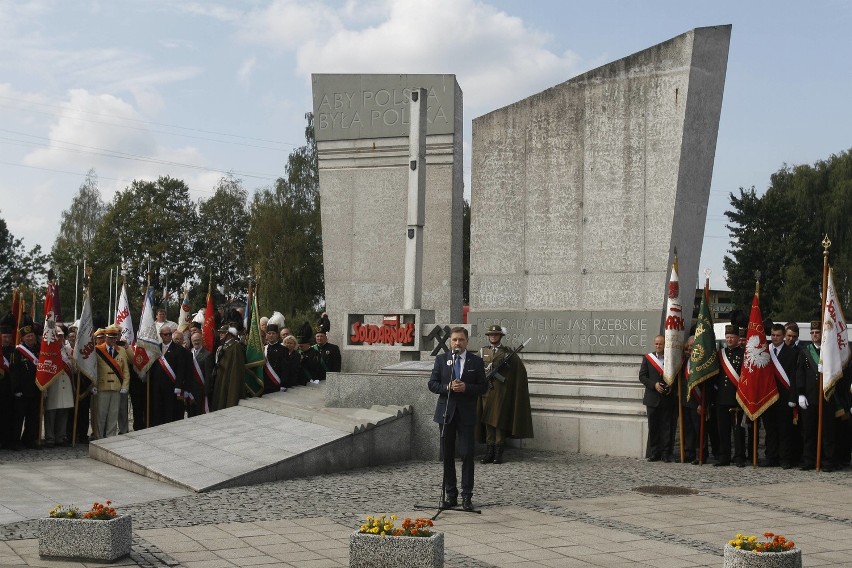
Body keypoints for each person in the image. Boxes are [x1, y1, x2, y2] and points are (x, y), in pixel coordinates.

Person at [427, 327, 488, 512]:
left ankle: (467, 497)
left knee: (467, 454)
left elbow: (483, 386)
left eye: (461, 340)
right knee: (447, 456)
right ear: (450, 342)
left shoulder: (476, 361)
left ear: (467, 341)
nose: (457, 343)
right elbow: (432, 384)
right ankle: (450, 495)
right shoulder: (441, 359)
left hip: (466, 414)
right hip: (446, 414)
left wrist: (466, 388)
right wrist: (448, 387)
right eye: (454, 340)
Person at [476, 325, 533, 464]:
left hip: (501, 393)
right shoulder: (483, 351)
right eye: (491, 334)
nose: (493, 336)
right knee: (487, 422)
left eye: (496, 334)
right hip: (486, 392)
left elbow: (519, 371)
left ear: (501, 336)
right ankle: (489, 452)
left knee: (498, 422)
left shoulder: (508, 353)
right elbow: (475, 368)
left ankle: (498, 452)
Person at [797, 321, 844, 471]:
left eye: (817, 332)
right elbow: (800, 374)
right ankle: (809, 460)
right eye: (812, 333)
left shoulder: (829, 351)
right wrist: (800, 393)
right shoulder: (805, 352)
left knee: (828, 431)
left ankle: (828, 461)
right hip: (810, 398)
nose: (814, 335)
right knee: (809, 431)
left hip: (827, 396)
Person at [765, 323, 798, 468]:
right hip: (768, 397)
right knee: (770, 430)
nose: (775, 338)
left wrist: (793, 398)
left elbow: (793, 377)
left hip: (784, 398)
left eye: (778, 335)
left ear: (784, 336)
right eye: (772, 335)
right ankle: (771, 458)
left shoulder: (791, 353)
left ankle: (785, 459)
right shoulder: (766, 351)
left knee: (784, 430)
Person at [639, 335, 676, 462]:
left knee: (666, 427)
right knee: (653, 427)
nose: (658, 346)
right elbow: (642, 376)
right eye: (656, 344)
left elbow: (676, 376)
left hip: (667, 398)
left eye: (660, 344)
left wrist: (672, 387)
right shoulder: (648, 358)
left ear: (665, 345)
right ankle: (655, 452)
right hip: (652, 398)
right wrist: (653, 385)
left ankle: (666, 453)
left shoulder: (670, 358)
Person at [713, 324, 746, 467]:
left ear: (738, 338)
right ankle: (724, 457)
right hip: (722, 397)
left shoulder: (744, 354)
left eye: (732, 337)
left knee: (738, 429)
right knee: (723, 430)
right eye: (727, 337)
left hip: (737, 397)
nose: (730, 339)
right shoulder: (720, 354)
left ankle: (739, 457)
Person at [94, 325, 130, 438]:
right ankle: (99, 437)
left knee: (113, 415)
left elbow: (126, 372)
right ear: (105, 337)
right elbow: (93, 369)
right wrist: (93, 385)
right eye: (110, 338)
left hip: (116, 387)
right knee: (101, 415)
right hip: (102, 386)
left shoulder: (122, 351)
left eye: (114, 338)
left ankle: (111, 437)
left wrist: (125, 386)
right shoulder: (98, 350)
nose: (112, 340)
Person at [10, 318, 41, 449]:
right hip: (22, 391)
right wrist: (16, 389)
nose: (30, 338)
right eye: (27, 336)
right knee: (18, 418)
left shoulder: (39, 350)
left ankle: (29, 439)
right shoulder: (17, 352)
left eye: (32, 336)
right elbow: (14, 372)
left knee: (33, 417)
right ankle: (15, 441)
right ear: (23, 338)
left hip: (36, 389)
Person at [149, 323, 187, 426]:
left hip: (171, 386)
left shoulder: (179, 350)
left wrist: (179, 386)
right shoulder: (156, 349)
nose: (168, 336)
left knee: (169, 410)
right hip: (157, 386)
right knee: (158, 409)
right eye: (165, 334)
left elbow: (181, 370)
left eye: (169, 334)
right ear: (161, 335)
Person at [44, 326, 74, 446]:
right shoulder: (48, 351)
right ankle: (50, 438)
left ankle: (60, 437)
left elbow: (74, 369)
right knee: (51, 414)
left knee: (63, 413)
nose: (60, 338)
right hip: (53, 387)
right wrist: (44, 389)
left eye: (61, 336)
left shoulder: (67, 350)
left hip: (66, 386)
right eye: (57, 335)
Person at [211, 325, 245, 411]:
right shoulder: (222, 346)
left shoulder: (235, 346)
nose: (220, 334)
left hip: (229, 378)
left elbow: (236, 367)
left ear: (229, 334)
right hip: (221, 377)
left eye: (223, 333)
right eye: (220, 333)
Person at [1, 313, 18, 450]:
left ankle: (8, 441)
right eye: (5, 337)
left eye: (9, 337)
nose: (7, 339)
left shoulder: (14, 351)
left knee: (9, 416)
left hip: (10, 390)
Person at [186, 330, 213, 417]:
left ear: (202, 340)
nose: (196, 342)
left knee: (200, 413)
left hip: (200, 390)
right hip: (190, 390)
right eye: (194, 340)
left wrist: (206, 390)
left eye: (198, 340)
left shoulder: (207, 355)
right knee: (190, 413)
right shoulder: (188, 354)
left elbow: (208, 375)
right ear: (191, 341)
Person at [263, 323, 289, 393]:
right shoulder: (263, 349)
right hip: (265, 384)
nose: (271, 335)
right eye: (269, 333)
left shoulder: (283, 349)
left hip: (277, 383)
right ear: (266, 335)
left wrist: (283, 384)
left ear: (277, 335)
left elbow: (285, 369)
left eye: (273, 333)